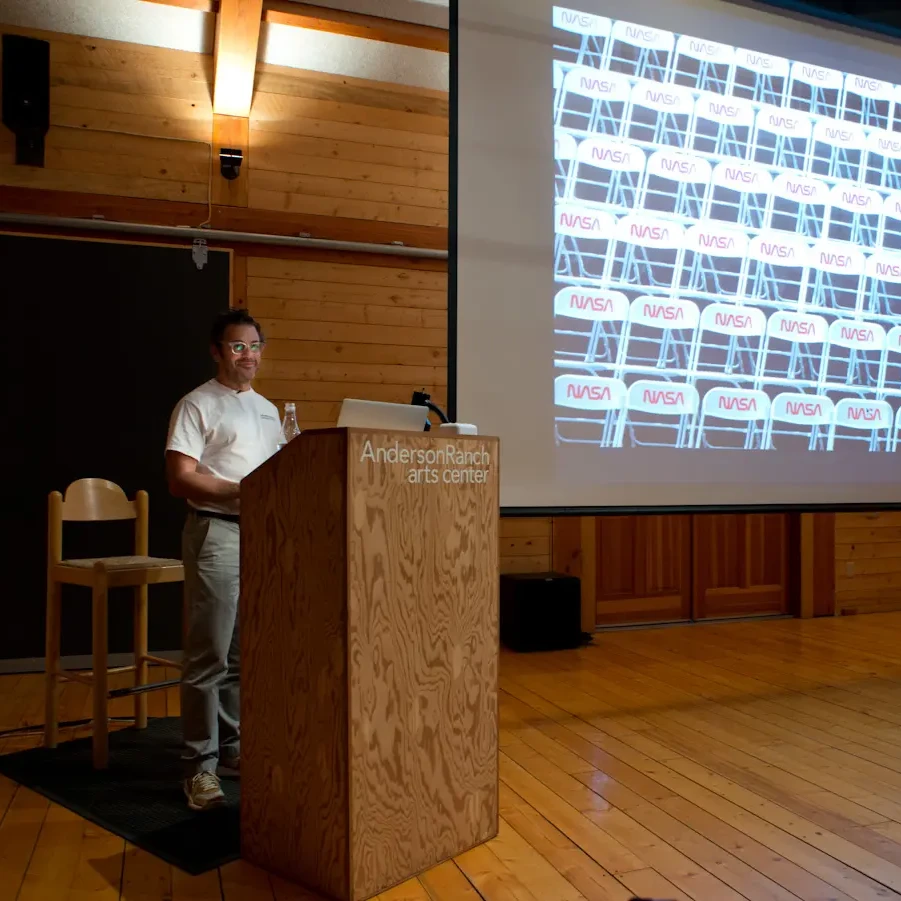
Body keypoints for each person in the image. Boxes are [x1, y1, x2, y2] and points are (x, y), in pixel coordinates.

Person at [165, 309, 282, 811]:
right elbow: (180, 478)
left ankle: (234, 751)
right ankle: (199, 768)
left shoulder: (270, 410)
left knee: (243, 656)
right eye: (237, 346)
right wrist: (243, 491)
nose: (248, 355)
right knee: (209, 655)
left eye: (254, 346)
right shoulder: (196, 404)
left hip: (263, 536)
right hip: (217, 531)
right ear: (217, 351)